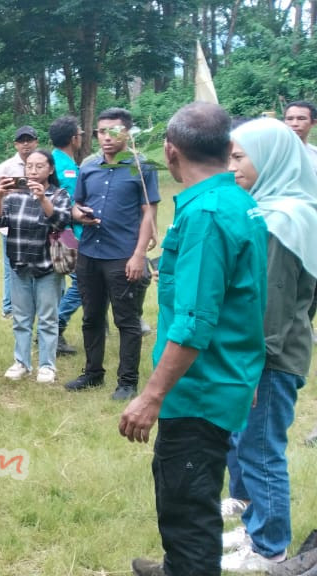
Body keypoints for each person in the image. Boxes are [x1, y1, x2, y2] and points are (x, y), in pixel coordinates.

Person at [123, 102, 269, 576]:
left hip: (199, 389)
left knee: (186, 506)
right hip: (224, 379)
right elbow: (246, 303)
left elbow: (195, 322)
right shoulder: (240, 202)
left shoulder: (206, 215)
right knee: (192, 490)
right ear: (229, 150)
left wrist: (151, 395)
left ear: (170, 152)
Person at [214, 118, 317, 573]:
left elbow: (271, 308)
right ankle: (257, 524)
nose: (230, 167)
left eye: (239, 157)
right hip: (268, 355)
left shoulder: (281, 221)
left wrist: (252, 368)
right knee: (247, 443)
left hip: (268, 361)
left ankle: (269, 546)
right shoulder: (281, 209)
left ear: (271, 159)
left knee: (260, 450)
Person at [66, 107, 159, 401]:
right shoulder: (89, 167)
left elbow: (148, 212)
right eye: (101, 132)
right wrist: (79, 215)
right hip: (90, 252)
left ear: (127, 133)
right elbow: (75, 204)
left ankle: (127, 381)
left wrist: (139, 254)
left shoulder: (141, 169)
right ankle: (93, 373)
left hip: (123, 254)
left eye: (114, 131)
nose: (106, 137)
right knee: (91, 317)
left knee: (127, 320)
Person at [0, 150, 71, 383]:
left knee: (48, 318)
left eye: (39, 166)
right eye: (29, 167)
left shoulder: (59, 195)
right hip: (19, 265)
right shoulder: (15, 196)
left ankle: (47, 366)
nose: (33, 171)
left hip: (47, 267)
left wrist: (43, 199)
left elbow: (60, 221)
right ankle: (21, 363)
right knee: (21, 318)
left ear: (51, 169)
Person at [0, 126, 40, 318]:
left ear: (36, 142)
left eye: (29, 140)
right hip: (10, 225)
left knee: (37, 267)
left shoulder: (45, 164)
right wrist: (8, 192)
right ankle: (9, 308)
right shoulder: (6, 167)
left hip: (37, 226)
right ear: (16, 144)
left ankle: (32, 305)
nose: (26, 144)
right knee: (11, 269)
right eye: (21, 140)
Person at [49, 116, 85, 356]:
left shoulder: (59, 161)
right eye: (80, 133)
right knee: (83, 281)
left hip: (68, 232)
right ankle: (56, 325)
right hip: (69, 234)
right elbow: (70, 204)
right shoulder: (66, 168)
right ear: (74, 138)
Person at [282, 100, 317, 166]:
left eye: (301, 118)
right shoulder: (271, 153)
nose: (294, 124)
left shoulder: (315, 154)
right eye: (289, 119)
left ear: (313, 123)